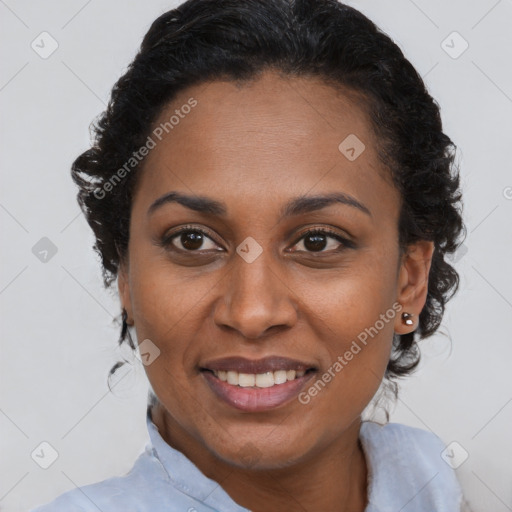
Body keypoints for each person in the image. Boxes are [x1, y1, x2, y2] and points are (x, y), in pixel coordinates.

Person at [31, 0, 470, 510]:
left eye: (317, 241)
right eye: (192, 240)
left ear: (409, 280)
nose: (252, 312)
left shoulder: (430, 481)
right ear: (125, 274)